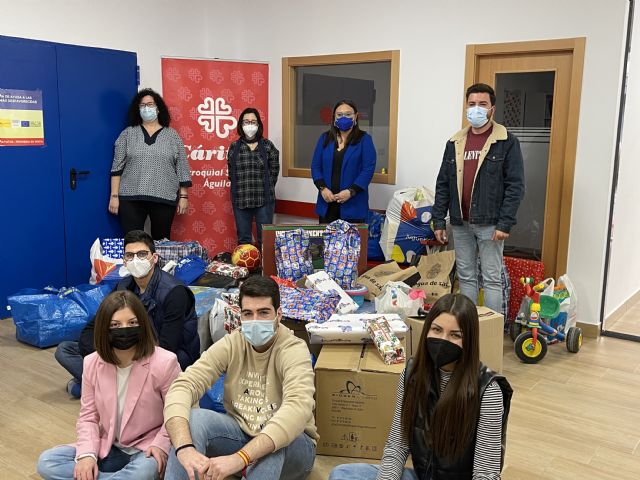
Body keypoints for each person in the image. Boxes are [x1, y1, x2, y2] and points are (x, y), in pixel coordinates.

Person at [329, 293, 512, 480]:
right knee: (342, 474)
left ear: (469, 340)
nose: (443, 340)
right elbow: (397, 446)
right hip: (422, 476)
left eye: (455, 335)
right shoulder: (412, 374)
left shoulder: (487, 390)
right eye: (437, 330)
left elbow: (486, 474)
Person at [163, 275, 317, 480]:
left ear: (278, 315)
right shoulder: (233, 343)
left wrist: (241, 457)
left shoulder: (293, 349)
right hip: (241, 434)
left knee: (274, 443)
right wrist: (184, 447)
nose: (255, 320)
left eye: (263, 313)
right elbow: (185, 384)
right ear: (240, 316)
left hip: (294, 448)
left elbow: (297, 408)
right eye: (248, 313)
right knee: (194, 419)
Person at [37, 290, 182, 480]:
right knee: (47, 462)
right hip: (110, 445)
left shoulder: (165, 362)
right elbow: (88, 416)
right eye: (115, 325)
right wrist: (87, 455)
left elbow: (177, 413)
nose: (124, 329)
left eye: (132, 323)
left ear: (143, 324)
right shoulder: (91, 363)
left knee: (143, 472)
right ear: (104, 328)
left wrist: (161, 445)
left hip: (147, 448)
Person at [56, 229, 200, 397]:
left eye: (142, 254)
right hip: (127, 348)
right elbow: (94, 327)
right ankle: (113, 386)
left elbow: (167, 347)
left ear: (154, 258)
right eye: (130, 256)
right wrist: (109, 356)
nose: (136, 260)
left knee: (154, 367)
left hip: (169, 355)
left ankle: (101, 385)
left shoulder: (174, 292)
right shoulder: (123, 286)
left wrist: (124, 361)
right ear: (124, 261)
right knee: (65, 350)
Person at [432, 83, 525, 315]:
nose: (476, 109)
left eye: (482, 104)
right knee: (466, 276)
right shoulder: (455, 142)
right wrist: (438, 221)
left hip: (490, 222)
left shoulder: (507, 141)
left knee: (492, 278)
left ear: (492, 109)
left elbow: (515, 186)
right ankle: (468, 325)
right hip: (460, 221)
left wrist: (505, 223)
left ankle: (489, 329)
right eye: (472, 104)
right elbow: (443, 183)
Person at [109, 87, 192, 240]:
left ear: (158, 109)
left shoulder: (172, 136)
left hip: (164, 197)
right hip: (131, 198)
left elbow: (182, 167)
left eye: (150, 104)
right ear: (138, 109)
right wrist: (114, 196)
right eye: (142, 105)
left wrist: (184, 196)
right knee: (133, 241)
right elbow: (116, 168)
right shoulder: (128, 133)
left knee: (162, 242)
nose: (146, 108)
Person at [311, 99, 377, 224]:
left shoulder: (364, 140)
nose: (343, 118)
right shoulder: (325, 138)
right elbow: (315, 166)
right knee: (326, 236)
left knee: (351, 237)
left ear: (355, 116)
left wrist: (350, 192)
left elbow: (368, 170)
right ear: (334, 117)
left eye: (348, 114)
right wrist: (322, 189)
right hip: (327, 203)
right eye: (339, 115)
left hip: (353, 204)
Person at [227, 107, 279, 247]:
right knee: (244, 240)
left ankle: (264, 263)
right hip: (241, 200)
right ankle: (246, 263)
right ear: (241, 125)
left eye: (253, 122)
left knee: (265, 240)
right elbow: (232, 174)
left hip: (264, 200)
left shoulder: (268, 146)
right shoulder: (234, 147)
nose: (249, 125)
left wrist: (265, 188)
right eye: (246, 122)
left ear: (258, 124)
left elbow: (274, 172)